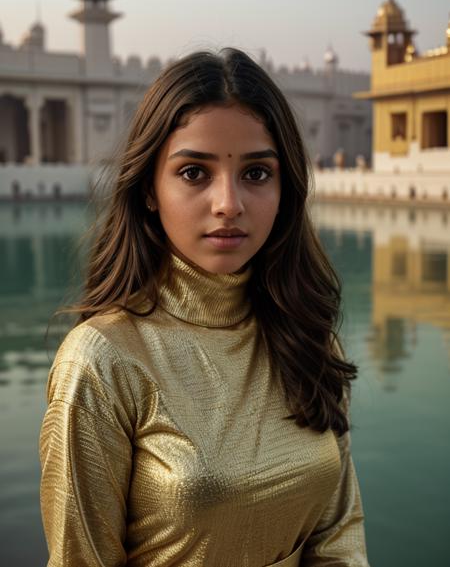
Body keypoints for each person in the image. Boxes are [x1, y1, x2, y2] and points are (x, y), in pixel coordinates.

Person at [39, 47, 370, 567]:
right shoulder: (104, 361)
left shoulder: (306, 336)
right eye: (194, 172)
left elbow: (339, 531)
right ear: (150, 187)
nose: (228, 204)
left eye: (257, 174)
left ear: (285, 188)